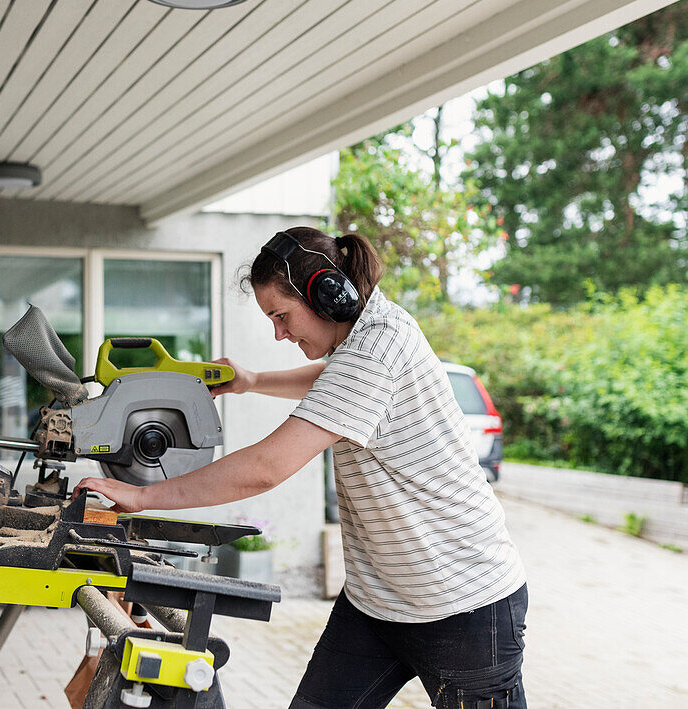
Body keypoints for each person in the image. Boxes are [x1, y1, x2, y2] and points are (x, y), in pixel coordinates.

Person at [73, 227, 528, 709]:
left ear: (326, 294)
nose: (279, 332)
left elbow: (267, 466)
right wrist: (252, 381)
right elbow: (331, 376)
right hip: (378, 603)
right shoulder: (363, 338)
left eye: (282, 316)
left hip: (463, 604)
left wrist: (142, 497)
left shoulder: (377, 350)